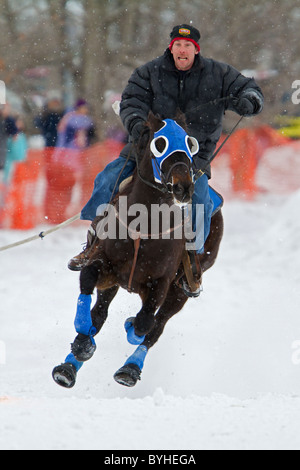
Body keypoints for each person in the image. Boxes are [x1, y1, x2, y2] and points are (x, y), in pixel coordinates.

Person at [69, 24, 264, 295]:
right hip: (146, 153)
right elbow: (131, 102)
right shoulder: (148, 72)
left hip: (191, 159)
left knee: (199, 201)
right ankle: (93, 245)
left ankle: (190, 262)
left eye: (187, 46)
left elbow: (248, 88)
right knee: (108, 179)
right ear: (171, 47)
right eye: (177, 45)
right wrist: (136, 123)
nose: (182, 50)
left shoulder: (218, 74)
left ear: (196, 50)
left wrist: (251, 100)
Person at [45, 99, 96, 224]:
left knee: (69, 187)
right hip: (66, 159)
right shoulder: (72, 119)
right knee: (64, 187)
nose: (86, 111)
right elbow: (86, 123)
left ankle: (64, 212)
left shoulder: (71, 119)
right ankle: (60, 212)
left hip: (71, 158)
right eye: (84, 108)